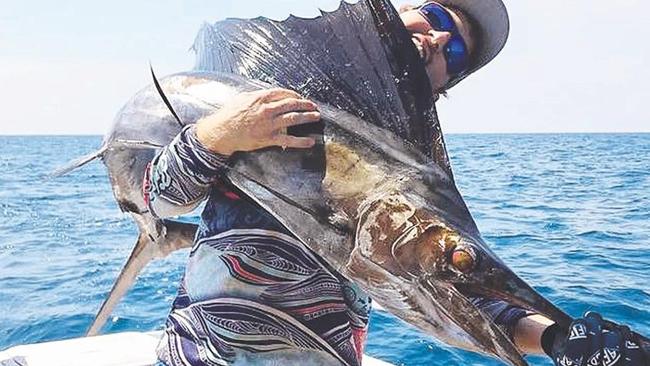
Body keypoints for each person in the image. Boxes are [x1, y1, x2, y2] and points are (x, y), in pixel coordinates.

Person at [147, 1, 647, 365]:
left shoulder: (417, 178)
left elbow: (444, 296)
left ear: (442, 86)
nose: (438, 39)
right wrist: (214, 138)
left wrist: (561, 340)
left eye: (454, 53)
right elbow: (157, 202)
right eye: (434, 16)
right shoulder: (263, 104)